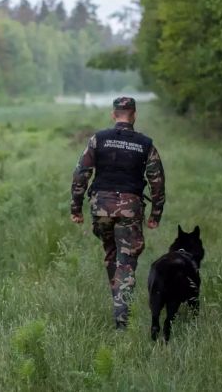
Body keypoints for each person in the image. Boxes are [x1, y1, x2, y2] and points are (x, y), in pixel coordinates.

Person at [70, 96, 166, 330]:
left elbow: (81, 173)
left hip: (101, 208)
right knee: (126, 261)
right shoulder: (145, 144)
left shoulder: (98, 140)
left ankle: (118, 299)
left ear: (114, 115)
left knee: (111, 253)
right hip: (129, 210)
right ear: (134, 114)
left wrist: (76, 207)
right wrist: (156, 214)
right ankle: (122, 317)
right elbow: (157, 182)